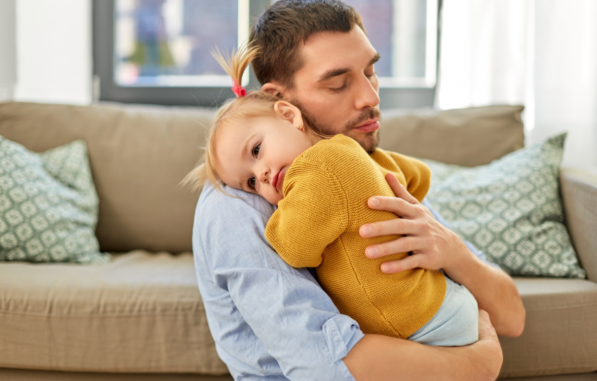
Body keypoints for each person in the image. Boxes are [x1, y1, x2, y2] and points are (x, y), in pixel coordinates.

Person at [192, 0, 525, 380]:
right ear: (282, 102)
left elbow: (512, 317)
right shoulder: (238, 203)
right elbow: (323, 366)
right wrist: (475, 366)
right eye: (338, 84)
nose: (370, 97)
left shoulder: (364, 171)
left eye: (369, 72)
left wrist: (453, 253)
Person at [185, 44, 479, 347]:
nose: (261, 176)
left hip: (423, 323)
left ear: (289, 116)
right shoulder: (351, 149)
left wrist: (279, 216)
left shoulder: (315, 172)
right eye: (250, 184)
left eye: (257, 150)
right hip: (443, 299)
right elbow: (418, 175)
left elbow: (295, 249)